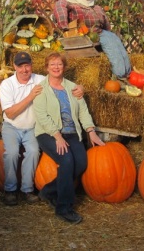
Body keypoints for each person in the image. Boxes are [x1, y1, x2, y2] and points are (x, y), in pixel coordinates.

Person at [0, 51, 84, 206]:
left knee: (32, 152)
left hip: (32, 127)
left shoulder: (39, 79)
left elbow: (59, 81)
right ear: (14, 67)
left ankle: (27, 190)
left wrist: (80, 88)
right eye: (20, 66)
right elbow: (10, 113)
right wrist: (31, 96)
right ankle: (10, 190)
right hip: (12, 126)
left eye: (27, 65)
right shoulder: (7, 85)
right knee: (11, 153)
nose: (24, 70)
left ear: (32, 65)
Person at [33, 52, 105, 224]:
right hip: (48, 133)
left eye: (59, 64)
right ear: (46, 68)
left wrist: (91, 131)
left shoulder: (73, 87)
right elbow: (41, 116)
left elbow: (82, 111)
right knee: (66, 160)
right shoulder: (40, 89)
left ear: (64, 67)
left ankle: (49, 190)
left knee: (80, 163)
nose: (56, 67)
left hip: (72, 133)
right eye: (52, 64)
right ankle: (64, 208)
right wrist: (57, 136)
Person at [53, 0, 131, 78]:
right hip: (86, 33)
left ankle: (128, 71)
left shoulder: (95, 7)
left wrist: (107, 30)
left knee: (115, 40)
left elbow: (105, 22)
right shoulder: (68, 4)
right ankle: (120, 73)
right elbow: (59, 7)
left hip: (101, 32)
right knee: (110, 44)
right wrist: (64, 26)